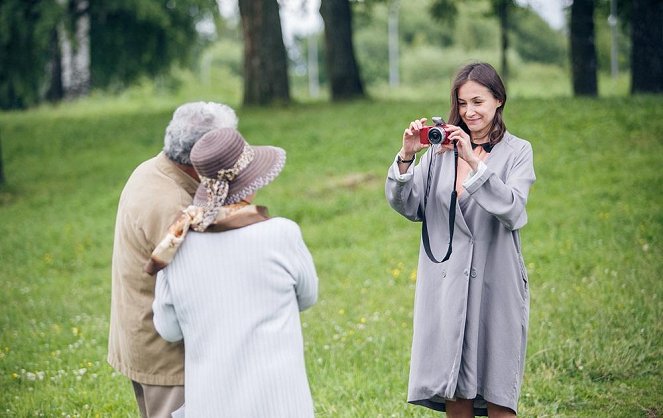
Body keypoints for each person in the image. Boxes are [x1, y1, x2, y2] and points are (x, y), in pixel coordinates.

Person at [385, 62, 536, 417]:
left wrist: (473, 159)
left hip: (495, 279)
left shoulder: (518, 152)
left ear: (498, 100)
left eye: (479, 102)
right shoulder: (439, 154)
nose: (469, 112)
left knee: (499, 391)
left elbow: (514, 210)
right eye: (463, 103)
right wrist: (407, 156)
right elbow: (408, 205)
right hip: (447, 282)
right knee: (456, 392)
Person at [149, 127, 318, 417]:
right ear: (249, 184)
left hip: (211, 404)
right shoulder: (283, 234)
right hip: (280, 402)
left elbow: (168, 329)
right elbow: (308, 296)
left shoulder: (175, 245)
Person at [108, 101, 238, 418]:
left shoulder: (155, 170)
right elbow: (196, 290)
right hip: (167, 354)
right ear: (200, 158)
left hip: (146, 340)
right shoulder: (171, 204)